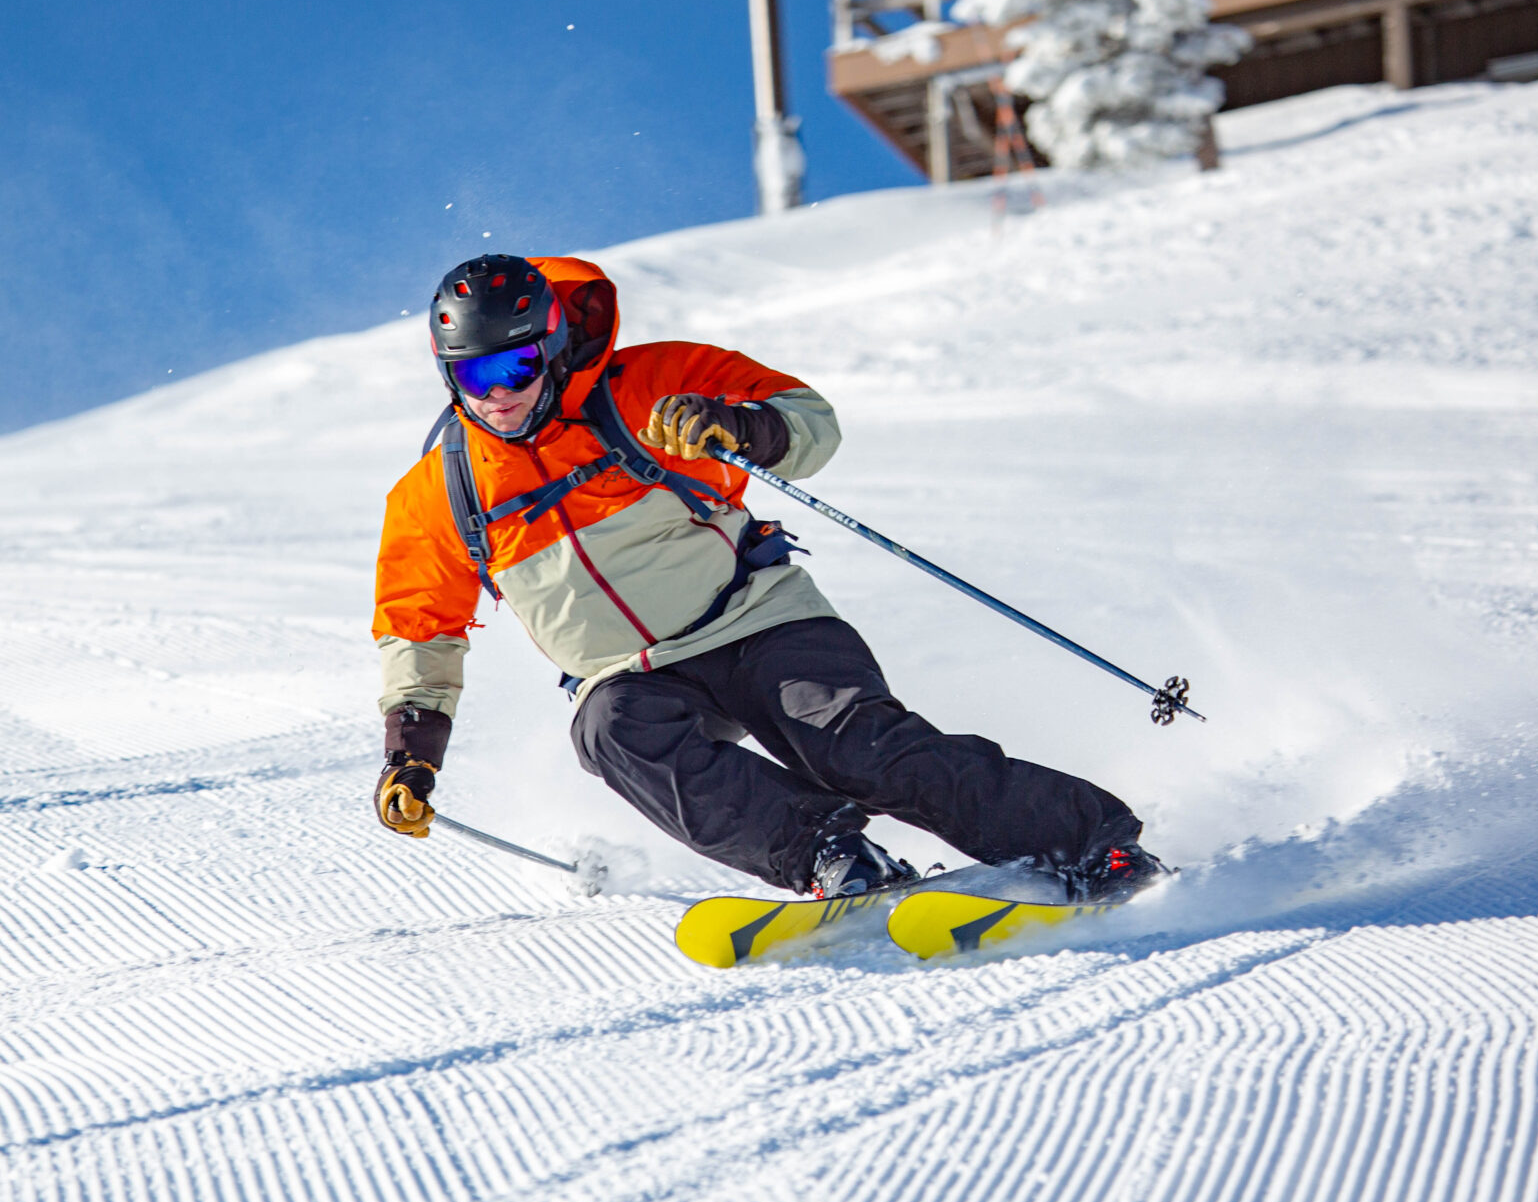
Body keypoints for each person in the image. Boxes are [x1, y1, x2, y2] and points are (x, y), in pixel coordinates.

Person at [373, 253, 1161, 901]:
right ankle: (827, 857)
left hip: (758, 622)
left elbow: (812, 419)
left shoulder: (646, 385)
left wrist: (741, 427)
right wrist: (412, 753)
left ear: (549, 348)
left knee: (856, 751)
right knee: (609, 732)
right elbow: (419, 630)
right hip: (630, 676)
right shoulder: (442, 492)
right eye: (477, 378)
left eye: (517, 366)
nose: (503, 395)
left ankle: (1090, 841)